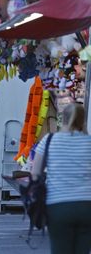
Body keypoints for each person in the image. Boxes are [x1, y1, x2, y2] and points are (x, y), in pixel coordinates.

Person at [32, 103, 91, 254]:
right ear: (82, 120)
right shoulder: (89, 142)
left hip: (58, 206)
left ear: (62, 118)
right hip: (87, 206)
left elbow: (35, 174)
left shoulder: (49, 140)